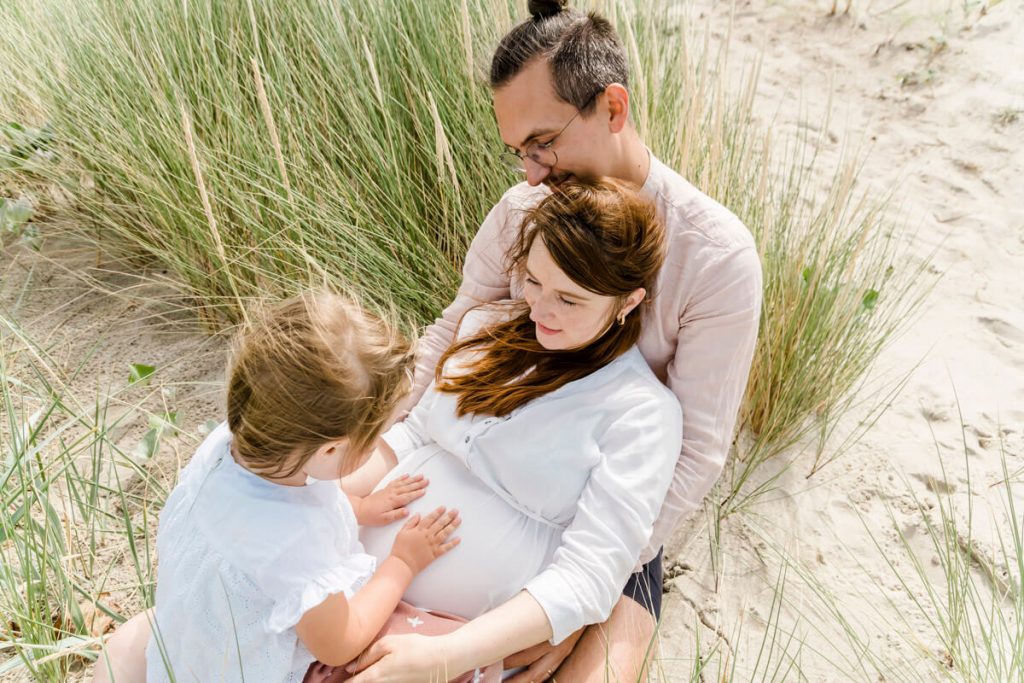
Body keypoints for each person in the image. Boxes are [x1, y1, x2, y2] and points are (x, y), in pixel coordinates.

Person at [91, 177, 684, 682]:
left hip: (440, 634)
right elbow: (413, 437)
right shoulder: (485, 329)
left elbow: (589, 576)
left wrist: (441, 656)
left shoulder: (640, 415)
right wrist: (327, 499)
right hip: (336, 591)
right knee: (131, 653)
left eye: (570, 300)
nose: (538, 310)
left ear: (628, 302)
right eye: (532, 281)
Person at [369, 0, 763, 679]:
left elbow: (694, 456)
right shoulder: (524, 210)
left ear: (613, 107)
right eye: (518, 151)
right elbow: (455, 325)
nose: (530, 173)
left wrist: (575, 603)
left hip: (621, 517)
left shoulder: (717, 258)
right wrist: (370, 448)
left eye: (544, 143)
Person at [101, 292, 464, 683]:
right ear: (329, 450)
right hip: (250, 669)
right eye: (375, 436)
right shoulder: (295, 543)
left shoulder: (225, 448)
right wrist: (402, 563)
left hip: (197, 647)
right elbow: (340, 643)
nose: (379, 441)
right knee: (453, 654)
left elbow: (259, 517)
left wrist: (353, 508)